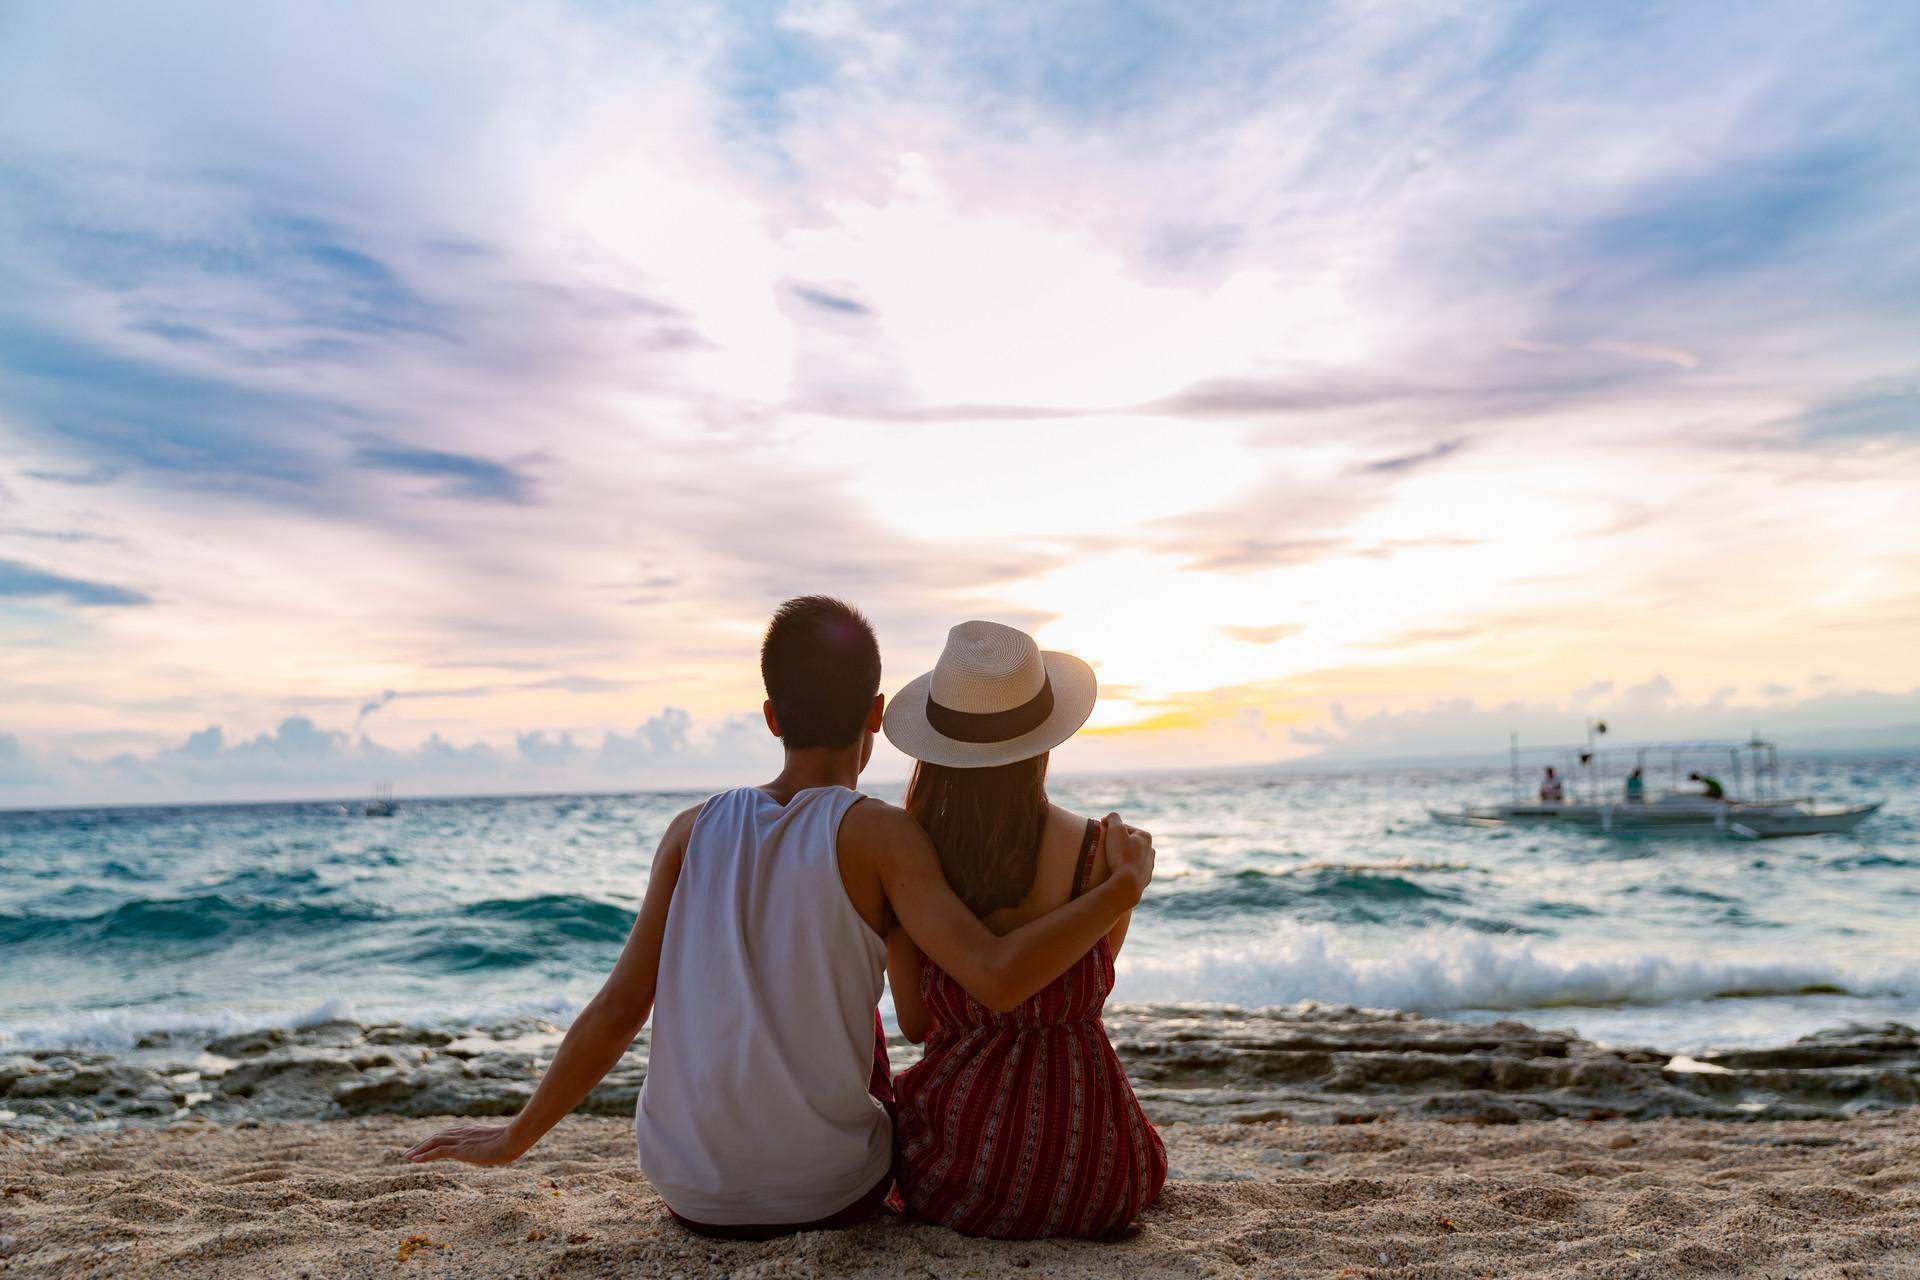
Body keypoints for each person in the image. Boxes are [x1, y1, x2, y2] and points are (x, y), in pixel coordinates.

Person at [404, 597, 1155, 1241]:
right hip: (830, 1196)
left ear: (770, 717)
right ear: (875, 714)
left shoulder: (689, 830)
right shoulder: (883, 836)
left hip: (689, 1192)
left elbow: (617, 1009)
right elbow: (987, 977)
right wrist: (1120, 886)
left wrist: (515, 1136)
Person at [883, 621, 1167, 1239]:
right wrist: (1122, 890)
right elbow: (1090, 984)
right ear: (1045, 741)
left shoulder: (911, 856)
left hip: (965, 1165)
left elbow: (915, 1024)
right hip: (1095, 1164)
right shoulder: (1103, 853)